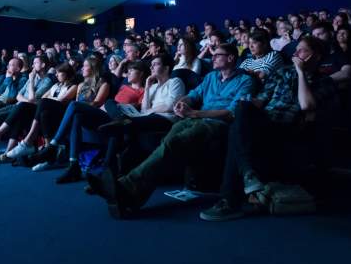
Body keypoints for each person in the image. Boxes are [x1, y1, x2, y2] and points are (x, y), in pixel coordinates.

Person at [87, 43, 255, 219]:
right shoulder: (211, 77)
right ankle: (130, 198)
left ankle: (124, 186)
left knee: (172, 144)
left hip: (216, 124)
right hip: (193, 119)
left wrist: (195, 112)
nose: (213, 57)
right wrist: (182, 102)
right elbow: (193, 95)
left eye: (218, 54)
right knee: (167, 145)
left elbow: (231, 113)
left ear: (230, 58)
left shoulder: (245, 81)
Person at [200, 36, 337, 221]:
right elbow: (261, 100)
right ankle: (247, 175)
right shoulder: (282, 73)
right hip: (266, 119)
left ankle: (231, 200)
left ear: (317, 56)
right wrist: (247, 102)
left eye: (302, 50)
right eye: (296, 50)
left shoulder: (324, 82)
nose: (296, 53)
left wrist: (300, 71)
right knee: (242, 109)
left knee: (236, 134)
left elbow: (306, 105)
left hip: (288, 126)